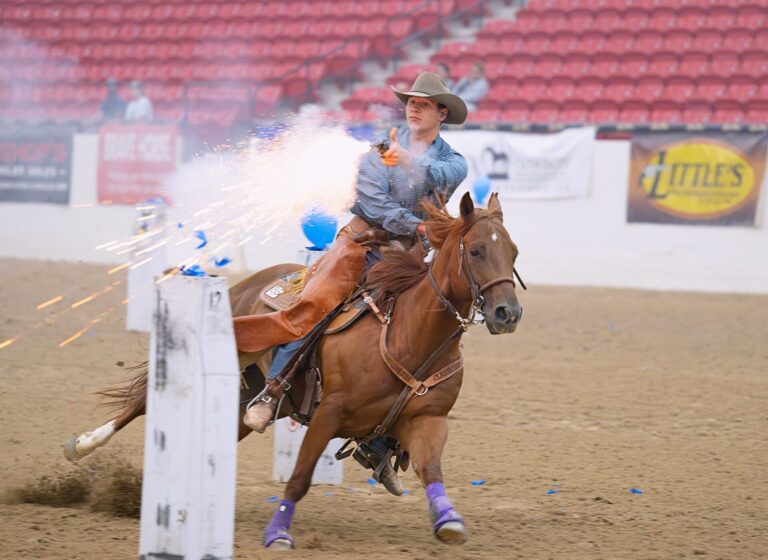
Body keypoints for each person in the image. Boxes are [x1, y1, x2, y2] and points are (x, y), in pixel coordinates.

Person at [234, 72, 468, 491]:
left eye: (425, 103)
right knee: (318, 304)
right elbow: (374, 205)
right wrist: (416, 228)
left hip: (410, 260)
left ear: (442, 113)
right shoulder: (376, 152)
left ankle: (380, 440)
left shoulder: (454, 161)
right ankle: (274, 388)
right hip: (364, 244)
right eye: (411, 101)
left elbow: (440, 176)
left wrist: (409, 162)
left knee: (424, 338)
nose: (414, 107)